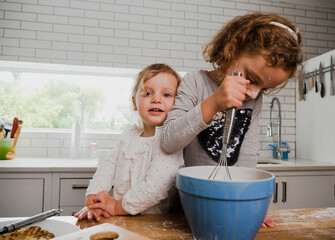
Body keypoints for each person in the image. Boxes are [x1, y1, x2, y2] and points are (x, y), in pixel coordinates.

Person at [161, 12, 303, 228]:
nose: (254, 93)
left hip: (230, 204)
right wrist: (214, 103)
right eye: (253, 79)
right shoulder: (195, 83)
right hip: (188, 204)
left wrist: (253, 204)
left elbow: (247, 154)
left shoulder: (253, 100)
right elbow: (168, 140)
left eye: (264, 88)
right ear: (231, 49)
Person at [75, 63, 184, 221]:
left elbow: (155, 188)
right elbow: (107, 167)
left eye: (166, 95)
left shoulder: (171, 141)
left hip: (153, 226)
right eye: (147, 93)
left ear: (179, 105)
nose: (156, 99)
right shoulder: (128, 135)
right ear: (134, 103)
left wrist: (116, 206)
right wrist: (93, 201)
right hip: (120, 220)